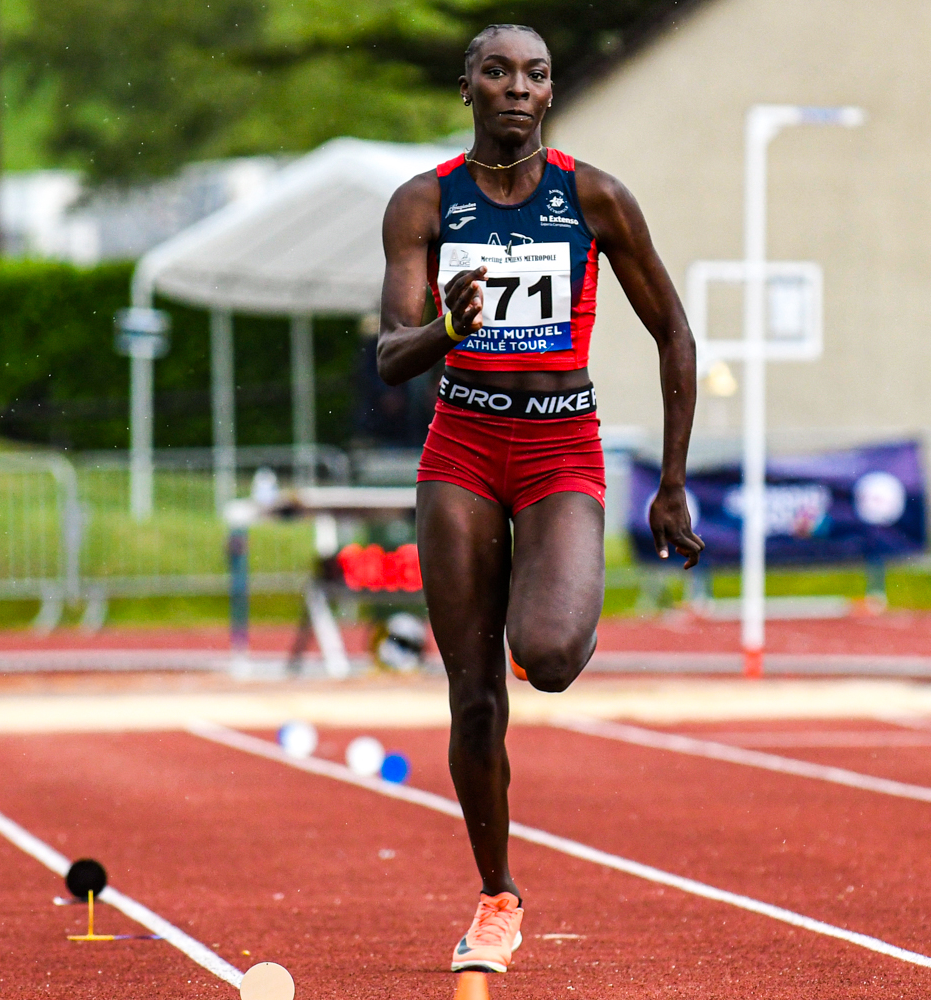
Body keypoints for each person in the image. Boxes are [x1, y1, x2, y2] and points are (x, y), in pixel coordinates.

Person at [376, 22, 703, 976]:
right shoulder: (423, 203)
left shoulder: (592, 196)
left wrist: (672, 481)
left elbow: (673, 332)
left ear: (550, 95)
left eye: (536, 74)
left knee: (550, 659)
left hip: (562, 443)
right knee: (474, 701)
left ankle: (538, 605)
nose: (517, 87)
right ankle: (497, 896)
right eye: (497, 72)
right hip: (463, 448)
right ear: (466, 87)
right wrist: (448, 323)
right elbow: (393, 357)